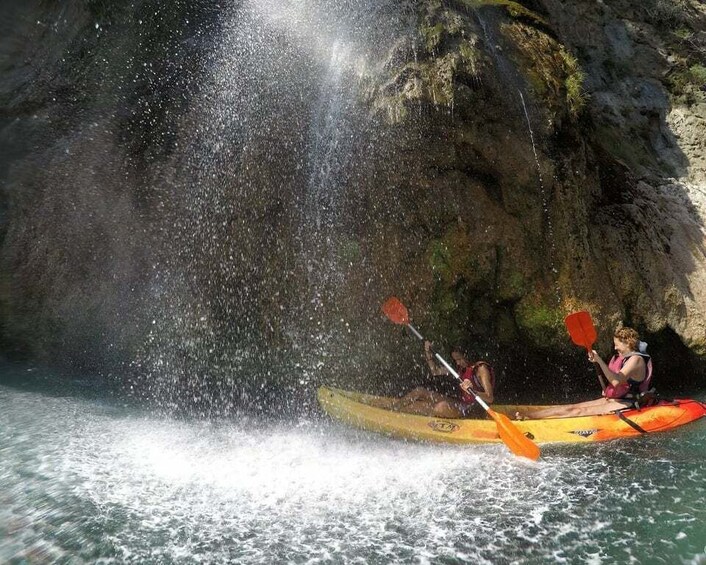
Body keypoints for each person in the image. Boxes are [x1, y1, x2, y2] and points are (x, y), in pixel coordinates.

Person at [518, 326, 654, 420]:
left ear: (627, 343)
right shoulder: (625, 358)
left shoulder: (636, 359)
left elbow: (616, 381)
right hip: (618, 398)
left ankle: (529, 417)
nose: (615, 347)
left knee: (578, 412)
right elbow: (616, 383)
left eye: (617, 344)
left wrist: (599, 360)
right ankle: (531, 415)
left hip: (628, 401)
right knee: (572, 407)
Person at [391, 340, 495, 418]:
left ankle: (424, 423)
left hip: (473, 410)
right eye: (455, 360)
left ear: (467, 355)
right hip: (462, 405)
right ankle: (392, 410)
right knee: (419, 391)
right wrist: (428, 353)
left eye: (459, 359)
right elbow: (435, 371)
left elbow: (490, 398)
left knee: (440, 407)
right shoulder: (460, 368)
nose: (458, 363)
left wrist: (472, 390)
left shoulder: (481, 369)